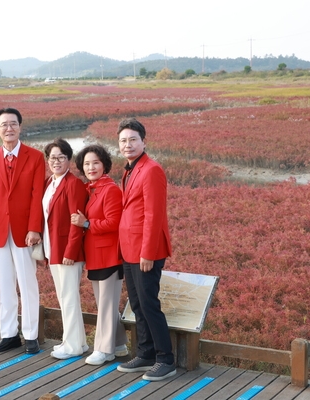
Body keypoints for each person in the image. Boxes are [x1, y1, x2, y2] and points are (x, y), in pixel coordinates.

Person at [0, 107, 45, 354]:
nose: (9, 128)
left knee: (28, 284)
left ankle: (31, 335)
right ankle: (8, 334)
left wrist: (35, 228)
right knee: (4, 284)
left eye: (13, 123)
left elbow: (38, 195)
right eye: (4, 124)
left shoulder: (35, 157)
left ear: (20, 127)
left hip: (25, 232)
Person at [115, 118, 175, 381]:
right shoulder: (128, 170)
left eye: (133, 140)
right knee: (137, 305)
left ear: (143, 141)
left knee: (149, 304)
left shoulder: (152, 170)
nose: (128, 145)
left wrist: (148, 252)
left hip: (145, 250)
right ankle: (145, 353)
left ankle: (166, 359)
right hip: (128, 249)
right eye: (123, 141)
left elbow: (154, 214)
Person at [71, 144, 128, 365]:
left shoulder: (110, 189)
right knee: (106, 303)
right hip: (95, 255)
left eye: (95, 162)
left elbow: (114, 223)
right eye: (86, 163)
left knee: (105, 303)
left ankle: (104, 350)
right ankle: (120, 344)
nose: (91, 167)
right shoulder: (90, 188)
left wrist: (86, 223)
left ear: (104, 165)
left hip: (109, 255)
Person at [42, 139, 89, 360]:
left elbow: (76, 222)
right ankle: (77, 342)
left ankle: (71, 346)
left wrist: (70, 252)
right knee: (64, 297)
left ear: (69, 159)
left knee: (69, 297)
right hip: (53, 248)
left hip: (67, 252)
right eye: (52, 157)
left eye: (61, 157)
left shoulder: (74, 184)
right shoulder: (49, 183)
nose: (57, 161)